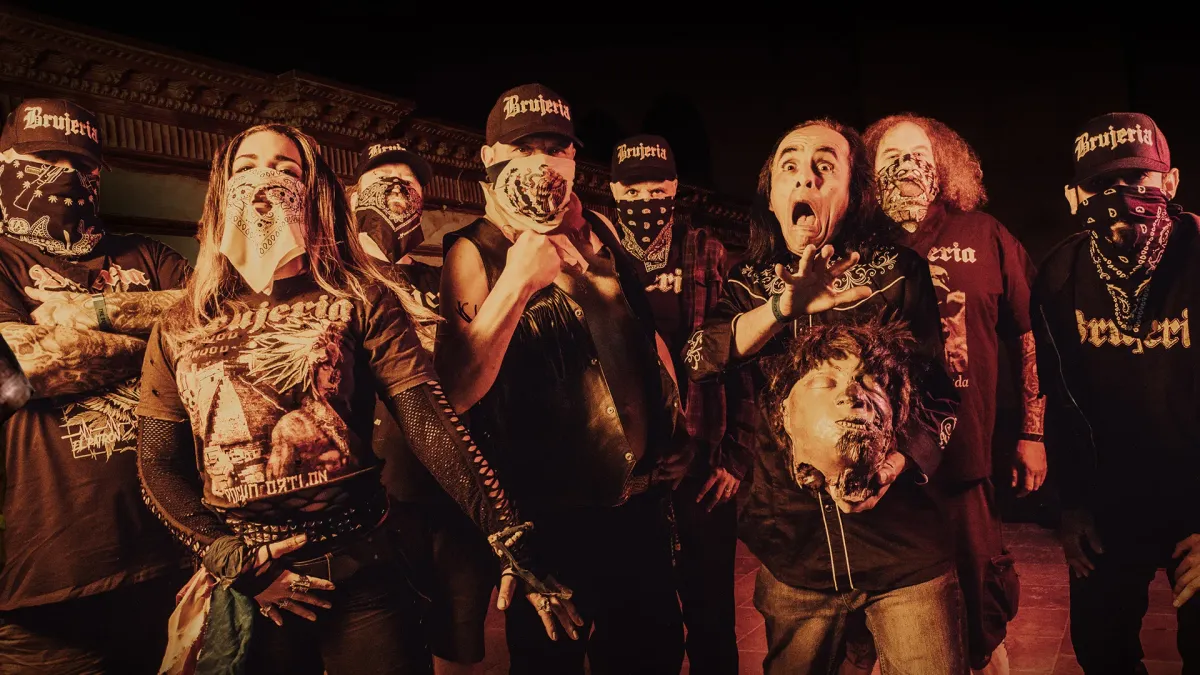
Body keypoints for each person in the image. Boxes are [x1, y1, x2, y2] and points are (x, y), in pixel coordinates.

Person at [134, 123, 578, 675]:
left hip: (360, 568)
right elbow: (157, 462)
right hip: (253, 583)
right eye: (247, 167)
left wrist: (507, 534)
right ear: (222, 189)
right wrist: (228, 557)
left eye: (286, 168)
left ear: (314, 190)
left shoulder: (360, 297)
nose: (265, 178)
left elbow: (428, 421)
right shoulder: (182, 322)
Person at [685, 118, 966, 674]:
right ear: (772, 197)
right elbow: (699, 357)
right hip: (797, 557)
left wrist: (892, 466)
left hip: (902, 553)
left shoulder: (899, 272)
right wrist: (780, 309)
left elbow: (939, 393)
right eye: (789, 166)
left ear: (854, 193)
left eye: (824, 166)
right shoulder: (748, 284)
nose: (805, 178)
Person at [436, 83, 689, 675]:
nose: (543, 164)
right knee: (549, 662)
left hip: (639, 502)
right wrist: (518, 280)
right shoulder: (473, 250)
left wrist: (674, 430)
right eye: (525, 149)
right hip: (550, 517)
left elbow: (640, 336)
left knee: (651, 655)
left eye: (557, 149)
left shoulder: (598, 232)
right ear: (491, 159)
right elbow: (456, 391)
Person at [0, 98, 195, 674]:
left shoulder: (148, 255)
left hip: (174, 558)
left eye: (82, 165)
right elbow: (19, 367)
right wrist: (158, 347)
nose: (66, 176)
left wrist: (92, 313)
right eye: (45, 160)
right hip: (48, 586)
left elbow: (219, 327)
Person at [857, 113, 1042, 673]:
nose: (907, 166)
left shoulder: (983, 234)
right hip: (879, 472)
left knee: (982, 618)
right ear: (868, 171)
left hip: (963, 464)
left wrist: (1033, 433)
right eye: (890, 156)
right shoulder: (856, 241)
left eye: (919, 154)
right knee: (881, 633)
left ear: (943, 165)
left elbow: (1028, 334)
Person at [1033, 112, 1200, 674]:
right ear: (1074, 197)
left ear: (1170, 182)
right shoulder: (1059, 274)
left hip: (1196, 502)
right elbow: (1062, 398)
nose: (1121, 197)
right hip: (1110, 506)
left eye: (1137, 180)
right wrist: (1071, 506)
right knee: (1101, 648)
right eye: (1101, 185)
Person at [352, 137, 498, 675]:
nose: (397, 190)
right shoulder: (339, 279)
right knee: (388, 646)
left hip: (453, 490)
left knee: (460, 642)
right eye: (381, 180)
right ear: (354, 196)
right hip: (378, 497)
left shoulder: (439, 279)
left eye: (409, 183)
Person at [608, 133, 743, 674]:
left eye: (656, 189)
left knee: (712, 620)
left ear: (674, 188)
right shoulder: (598, 254)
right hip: (629, 471)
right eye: (632, 190)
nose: (645, 200)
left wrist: (736, 456)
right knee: (644, 623)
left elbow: (739, 354)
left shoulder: (705, 250)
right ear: (614, 191)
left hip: (702, 461)